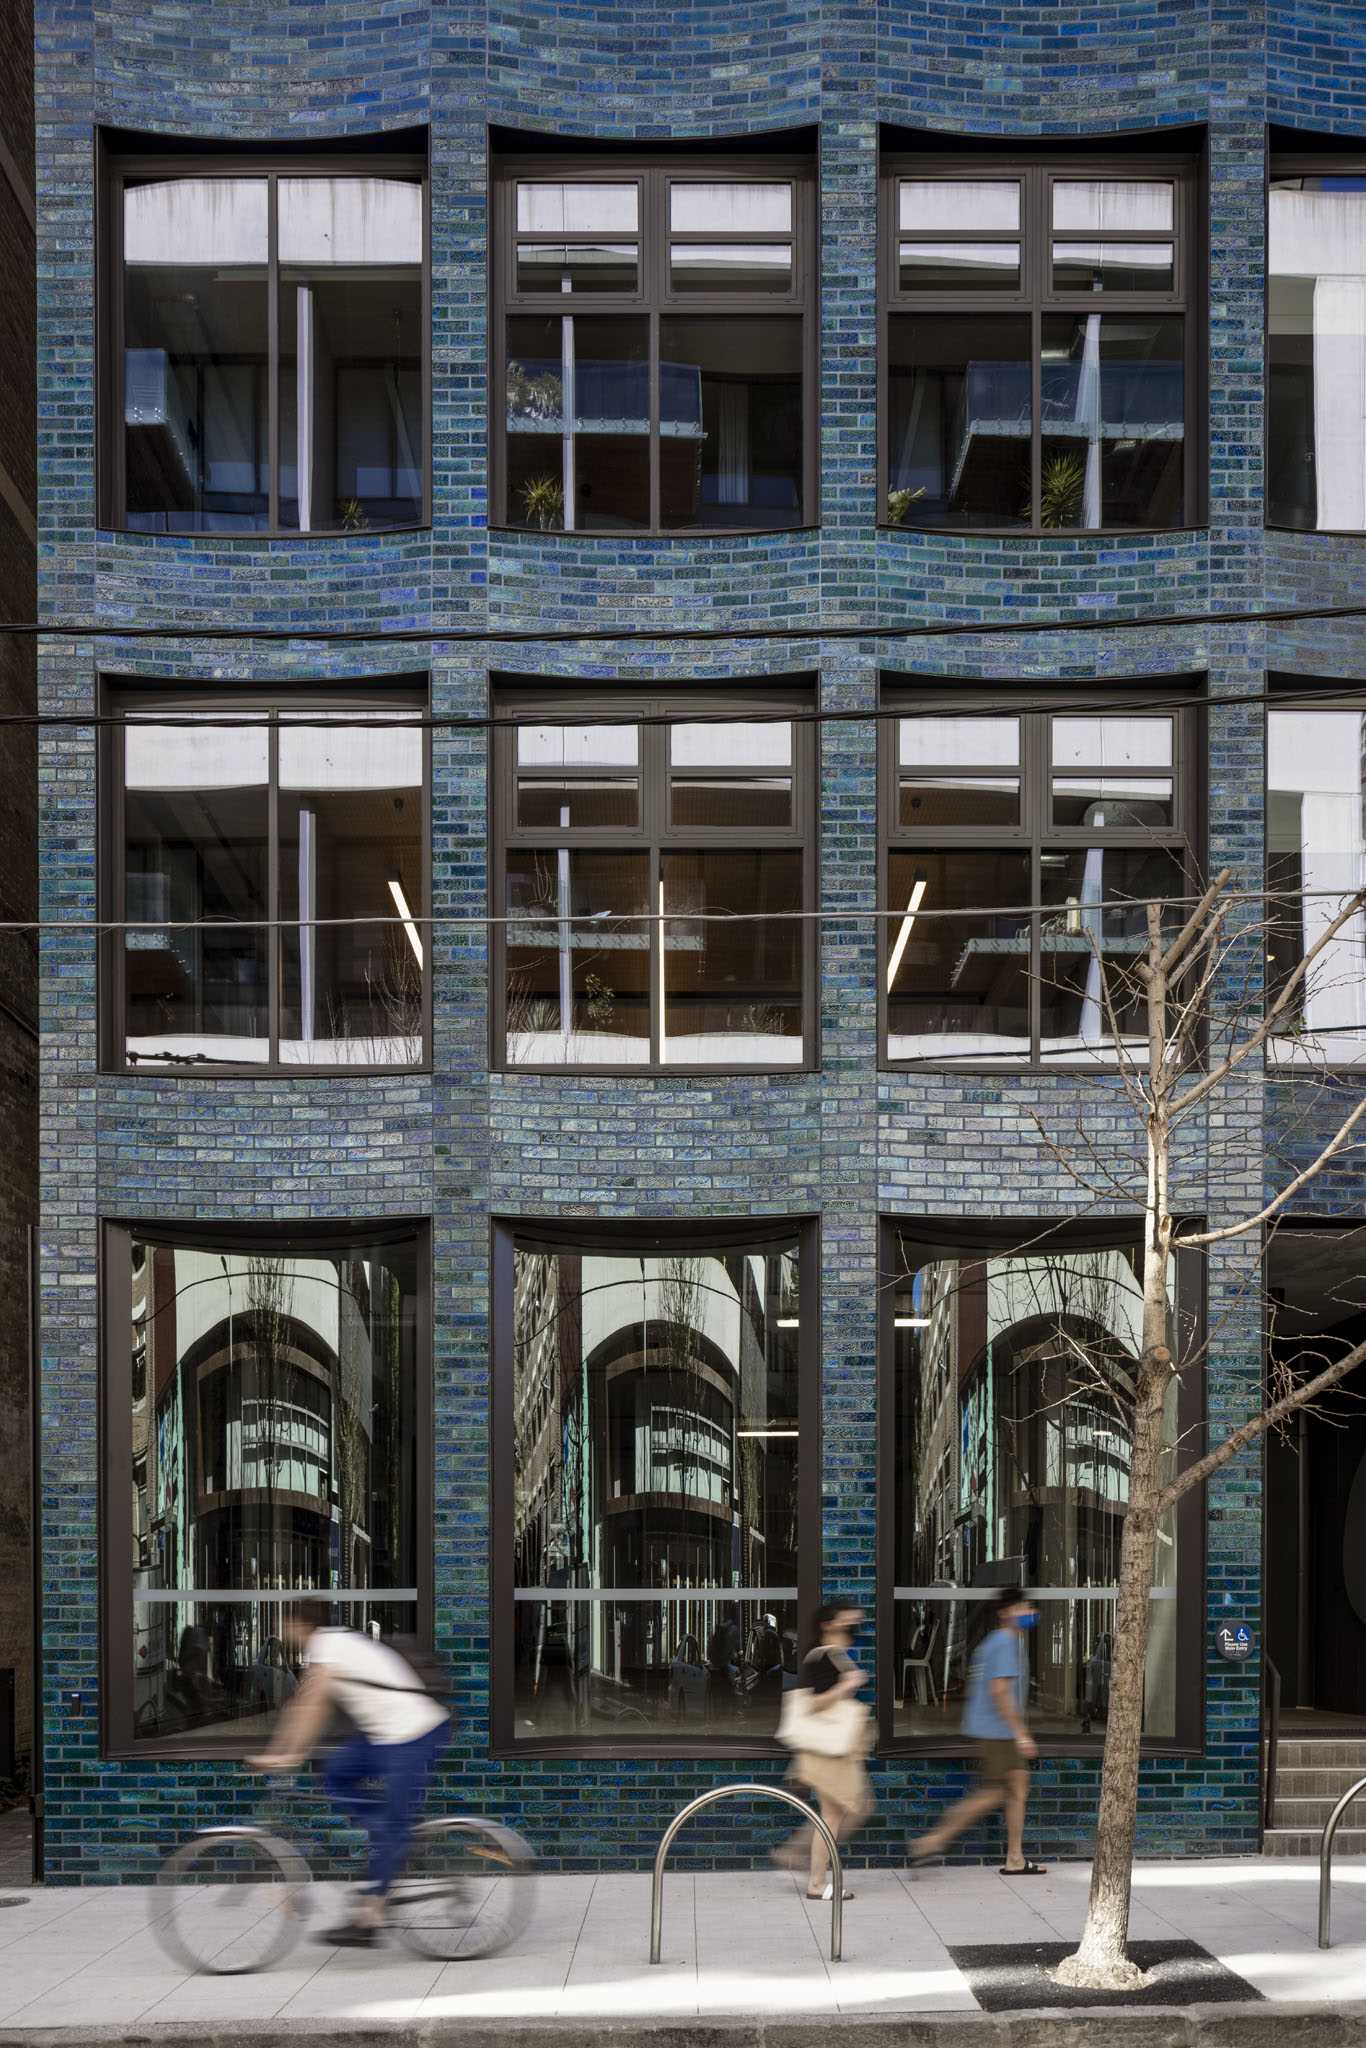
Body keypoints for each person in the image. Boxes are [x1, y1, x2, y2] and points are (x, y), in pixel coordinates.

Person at [249, 1600, 450, 1945]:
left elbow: (312, 1706)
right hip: (384, 1735)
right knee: (338, 1771)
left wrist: (288, 1755)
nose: (282, 1631)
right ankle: (389, 1835)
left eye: (286, 1623)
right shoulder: (331, 1645)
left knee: (391, 1827)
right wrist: (284, 1753)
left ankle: (368, 1917)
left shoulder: (329, 1645)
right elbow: (304, 1706)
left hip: (414, 1732)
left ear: (300, 1624)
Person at [909, 1585, 1046, 1877]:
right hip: (999, 1732)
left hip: (994, 1730)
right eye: (1024, 1608)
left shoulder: (998, 1641)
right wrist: (1021, 1733)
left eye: (1030, 1607)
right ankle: (931, 1842)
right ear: (1007, 1613)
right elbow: (1000, 1691)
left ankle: (1014, 1857)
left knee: (1014, 1789)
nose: (1029, 1613)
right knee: (996, 1792)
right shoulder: (1006, 1642)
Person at [775, 1599, 873, 1902]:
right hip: (829, 1751)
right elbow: (816, 1703)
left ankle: (802, 1860)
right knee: (833, 1815)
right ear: (828, 1625)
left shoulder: (836, 1655)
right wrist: (848, 1685)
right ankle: (815, 1880)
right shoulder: (823, 1657)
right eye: (846, 1619)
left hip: (835, 1751)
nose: (853, 1624)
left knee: (843, 1811)